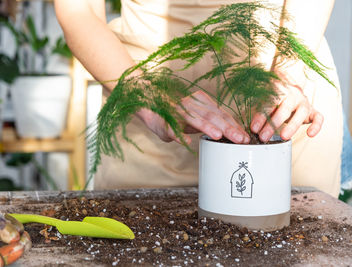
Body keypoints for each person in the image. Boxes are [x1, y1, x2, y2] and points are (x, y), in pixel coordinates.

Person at [55, 0, 342, 197]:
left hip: (283, 104)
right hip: (150, 119)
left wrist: (288, 72)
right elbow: (79, 12)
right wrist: (147, 96)